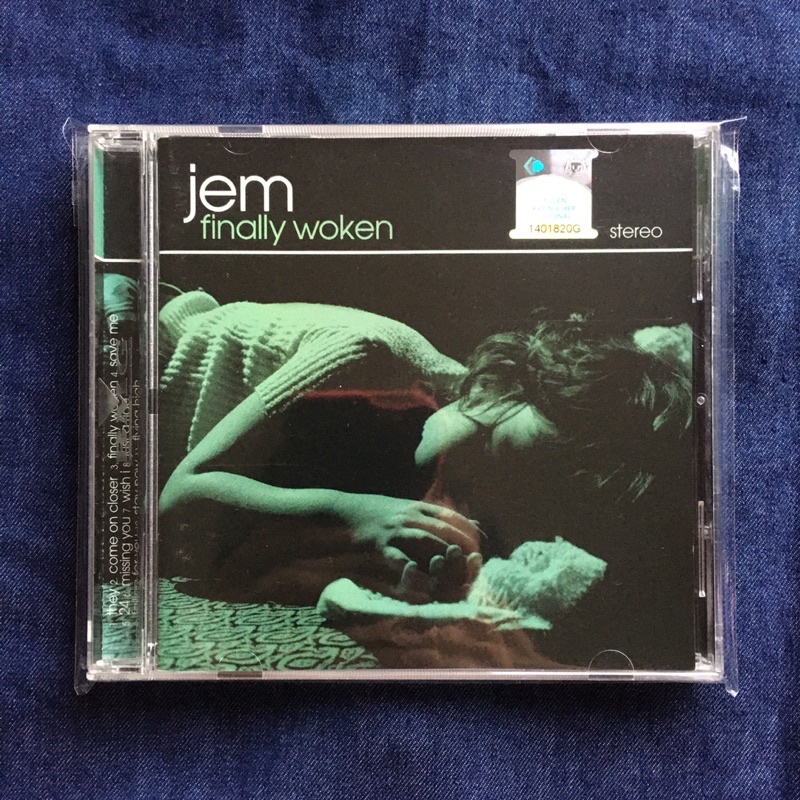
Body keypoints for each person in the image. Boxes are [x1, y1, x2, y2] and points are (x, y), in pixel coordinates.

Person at [153, 283, 693, 644]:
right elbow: (176, 500)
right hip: (148, 368)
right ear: (499, 384)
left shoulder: (448, 455)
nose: (467, 499)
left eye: (514, 500)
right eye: (498, 453)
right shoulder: (363, 355)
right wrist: (350, 515)